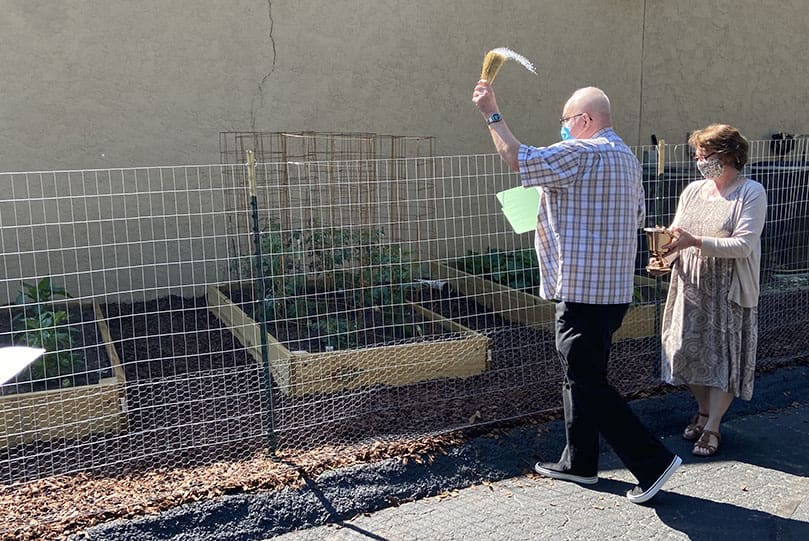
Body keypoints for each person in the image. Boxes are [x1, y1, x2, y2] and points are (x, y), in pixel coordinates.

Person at [472, 81, 681, 504]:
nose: (563, 128)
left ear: (585, 120)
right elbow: (633, 215)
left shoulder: (582, 152)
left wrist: (491, 111)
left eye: (566, 120)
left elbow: (517, 157)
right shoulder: (624, 157)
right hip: (613, 289)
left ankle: (652, 462)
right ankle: (579, 462)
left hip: (583, 289)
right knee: (581, 376)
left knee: (586, 381)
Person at [649, 124, 766, 457]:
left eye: (705, 154)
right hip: (690, 285)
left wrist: (695, 242)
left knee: (722, 360)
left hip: (728, 288)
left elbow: (743, 245)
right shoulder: (693, 191)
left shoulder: (750, 192)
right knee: (684, 352)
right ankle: (702, 411)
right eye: (698, 154)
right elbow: (676, 235)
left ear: (728, 155)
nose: (699, 160)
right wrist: (664, 256)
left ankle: (712, 425)